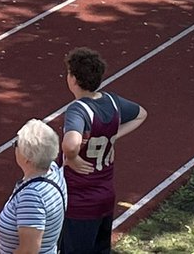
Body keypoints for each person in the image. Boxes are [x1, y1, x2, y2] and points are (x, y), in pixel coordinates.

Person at [60, 48, 147, 254]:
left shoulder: (78, 109)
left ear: (73, 79)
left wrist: (71, 157)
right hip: (105, 194)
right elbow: (141, 114)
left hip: (79, 201)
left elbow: (70, 144)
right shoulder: (112, 101)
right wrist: (114, 136)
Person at [0, 119, 66, 254]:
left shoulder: (32, 196)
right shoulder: (54, 170)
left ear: (28, 159)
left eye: (17, 144)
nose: (14, 146)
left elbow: (29, 251)